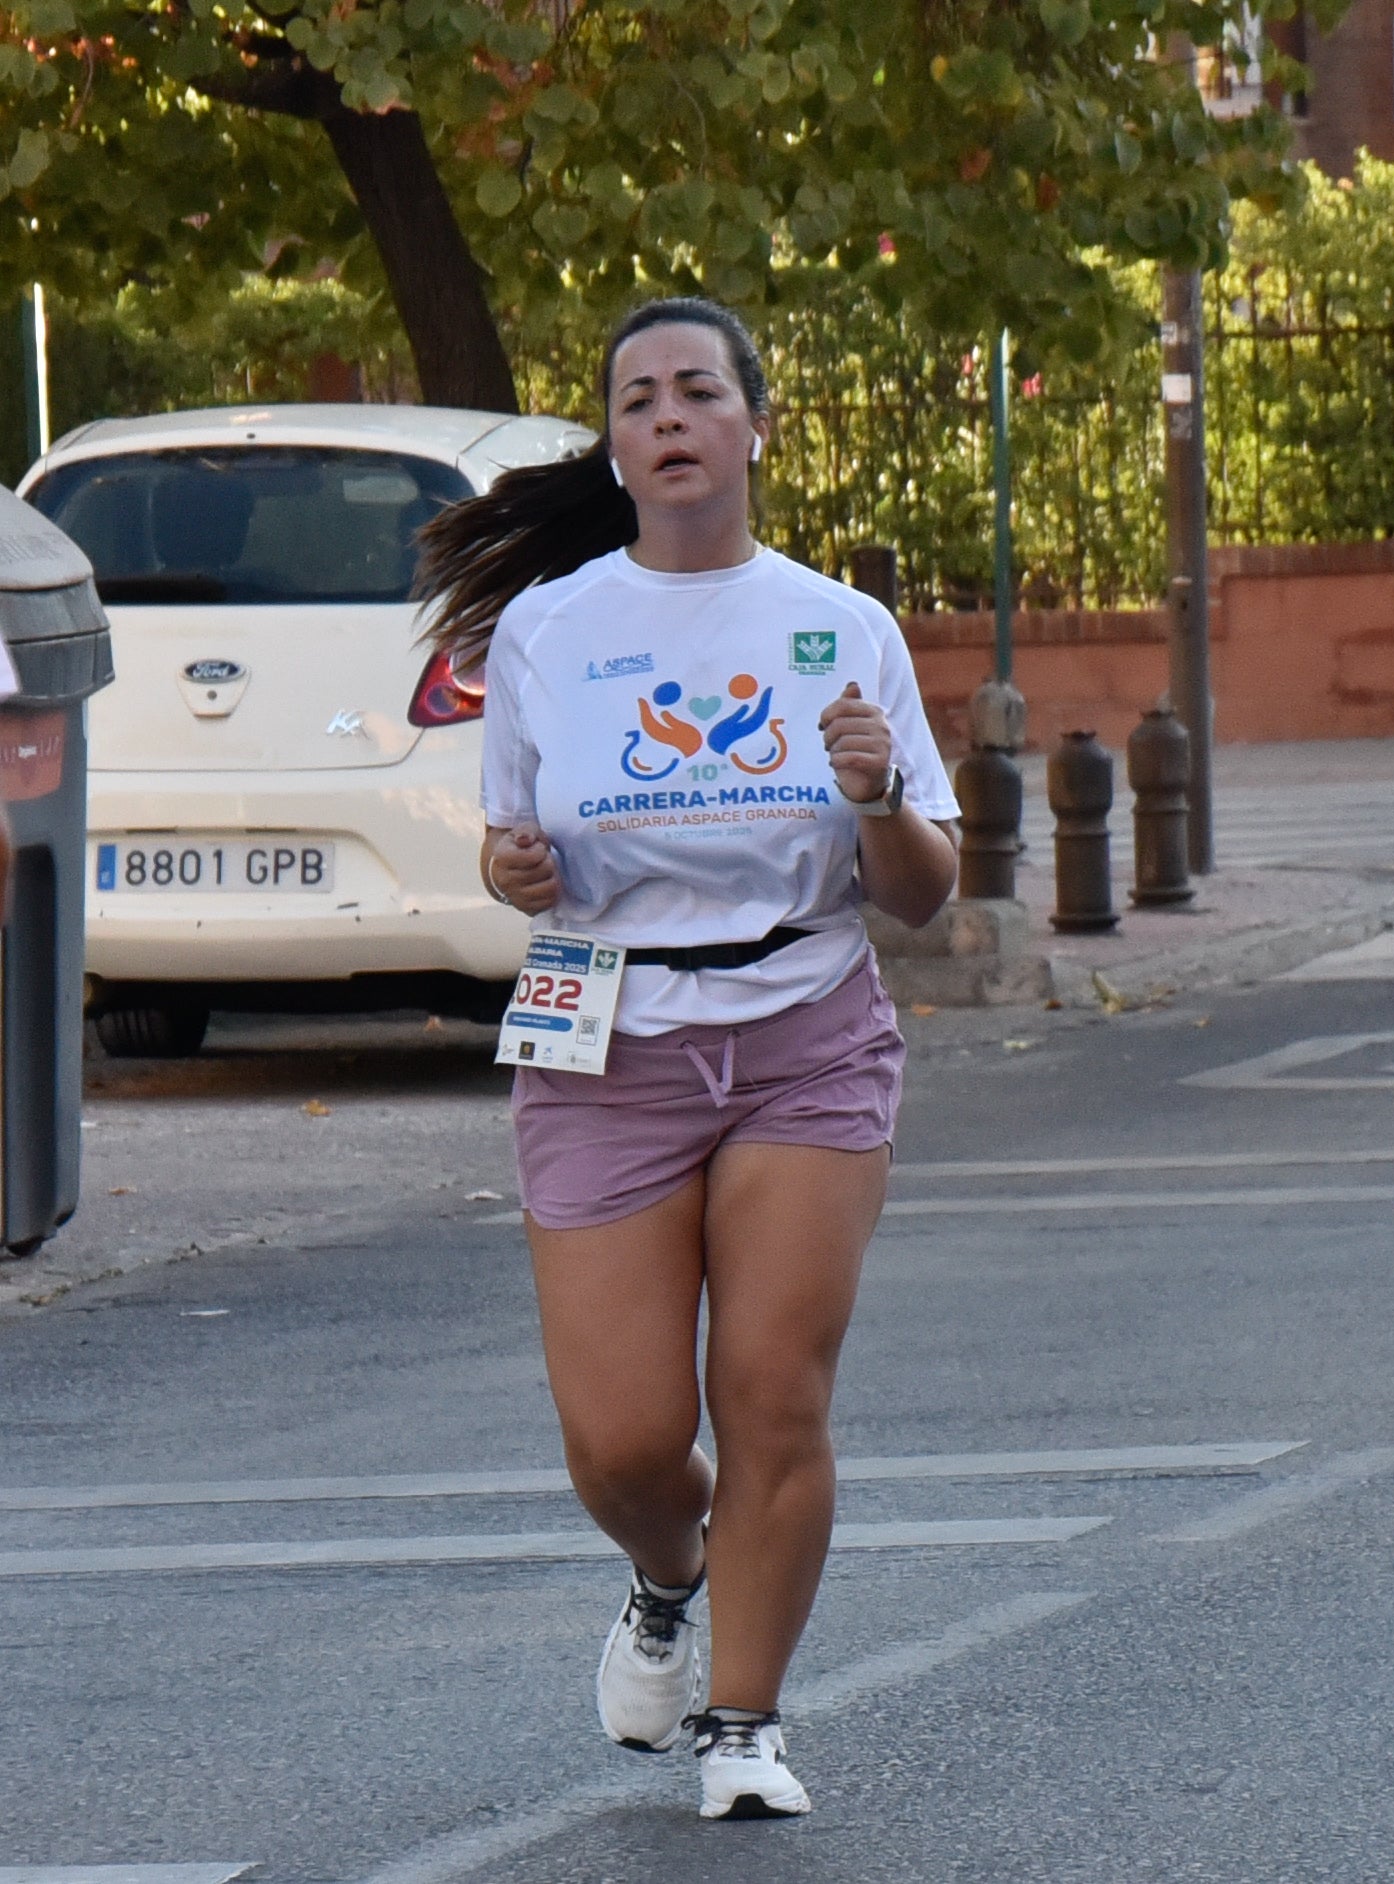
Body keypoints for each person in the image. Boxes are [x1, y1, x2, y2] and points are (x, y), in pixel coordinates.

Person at [414, 297, 959, 1818]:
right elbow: (517, 852)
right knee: (630, 1442)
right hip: (605, 1041)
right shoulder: (549, 631)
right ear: (620, 443)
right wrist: (512, 877)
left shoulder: (843, 630)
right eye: (638, 396)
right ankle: (669, 1573)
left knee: (772, 1393)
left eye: (696, 390)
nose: (666, 414)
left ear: (753, 426)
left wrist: (874, 798)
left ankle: (743, 1724)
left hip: (806, 1034)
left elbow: (921, 894)